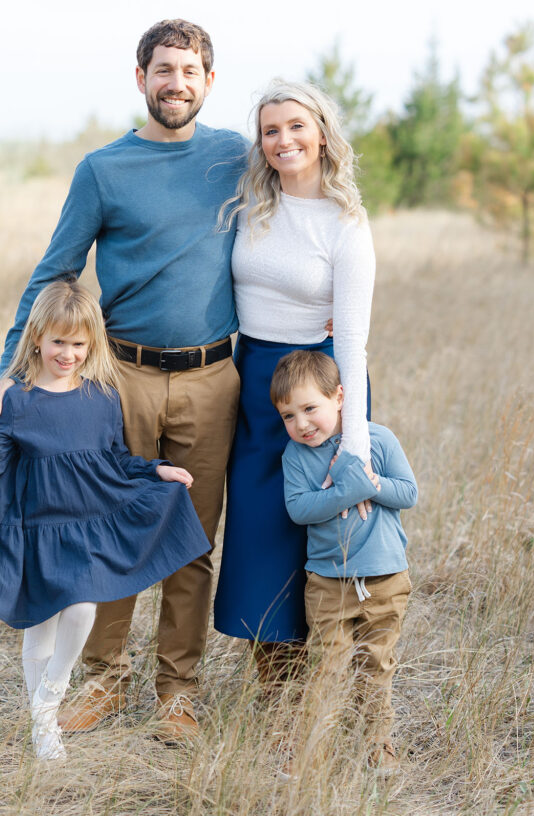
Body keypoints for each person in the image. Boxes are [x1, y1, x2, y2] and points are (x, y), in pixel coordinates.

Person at [0, 20, 247, 741]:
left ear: (209, 81)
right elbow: (56, 271)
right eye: (163, 70)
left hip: (212, 377)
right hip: (121, 377)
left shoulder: (235, 155)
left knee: (192, 540)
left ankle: (179, 694)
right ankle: (103, 679)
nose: (177, 83)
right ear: (141, 78)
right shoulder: (104, 169)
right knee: (108, 532)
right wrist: (15, 370)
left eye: (190, 71)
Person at [0, 280, 209, 760]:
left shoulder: (101, 396)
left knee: (81, 609)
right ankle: (44, 729)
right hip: (39, 526)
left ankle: (48, 702)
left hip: (85, 524)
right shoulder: (18, 399)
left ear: (91, 344)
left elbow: (116, 458)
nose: (68, 353)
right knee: (40, 626)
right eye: (59, 342)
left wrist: (155, 468)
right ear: (37, 336)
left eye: (79, 344)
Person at [213, 80, 376, 684]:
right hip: (254, 380)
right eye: (271, 131)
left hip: (318, 383)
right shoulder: (248, 206)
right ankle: (275, 686)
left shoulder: (346, 225)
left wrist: (354, 448)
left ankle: (336, 678)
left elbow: (354, 340)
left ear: (323, 133)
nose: (284, 140)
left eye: (296, 126)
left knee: (322, 532)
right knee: (259, 530)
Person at [271, 349, 417, 772]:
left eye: (310, 408)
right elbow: (300, 509)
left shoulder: (378, 439)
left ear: (340, 397)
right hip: (328, 581)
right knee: (327, 667)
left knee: (376, 663)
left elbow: (408, 494)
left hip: (385, 576)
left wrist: (367, 481)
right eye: (288, 416)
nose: (301, 424)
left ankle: (378, 744)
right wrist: (349, 490)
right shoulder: (296, 456)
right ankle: (314, 750)